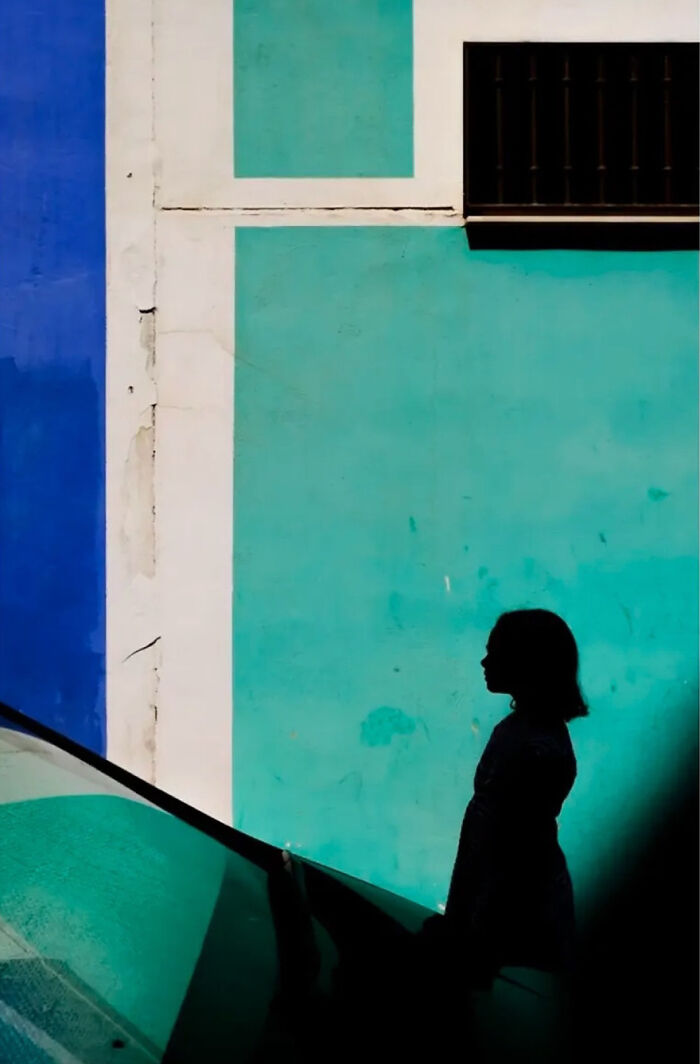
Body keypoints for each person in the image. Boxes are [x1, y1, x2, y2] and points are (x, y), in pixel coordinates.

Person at [423, 609, 587, 995]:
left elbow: (514, 858)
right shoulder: (520, 730)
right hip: (497, 897)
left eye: (495, 652)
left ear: (526, 662)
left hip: (515, 910)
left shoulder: (537, 750)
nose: (484, 662)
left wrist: (474, 928)